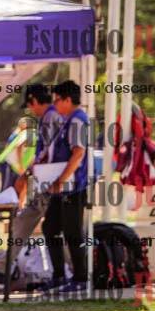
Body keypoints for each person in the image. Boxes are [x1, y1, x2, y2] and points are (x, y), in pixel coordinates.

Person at [9, 84, 65, 277]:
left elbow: (47, 151)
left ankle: (4, 267)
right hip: (52, 179)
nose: (30, 110)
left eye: (29, 105)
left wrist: (27, 173)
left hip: (48, 180)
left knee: (27, 219)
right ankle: (69, 271)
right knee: (54, 227)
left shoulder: (49, 117)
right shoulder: (53, 116)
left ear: (33, 100)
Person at [42, 80, 89, 290]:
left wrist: (60, 180)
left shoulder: (78, 120)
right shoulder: (69, 120)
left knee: (72, 232)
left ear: (68, 100)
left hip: (72, 187)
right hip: (63, 187)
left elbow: (78, 153)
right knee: (50, 227)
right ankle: (59, 276)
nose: (55, 105)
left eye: (57, 100)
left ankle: (80, 278)